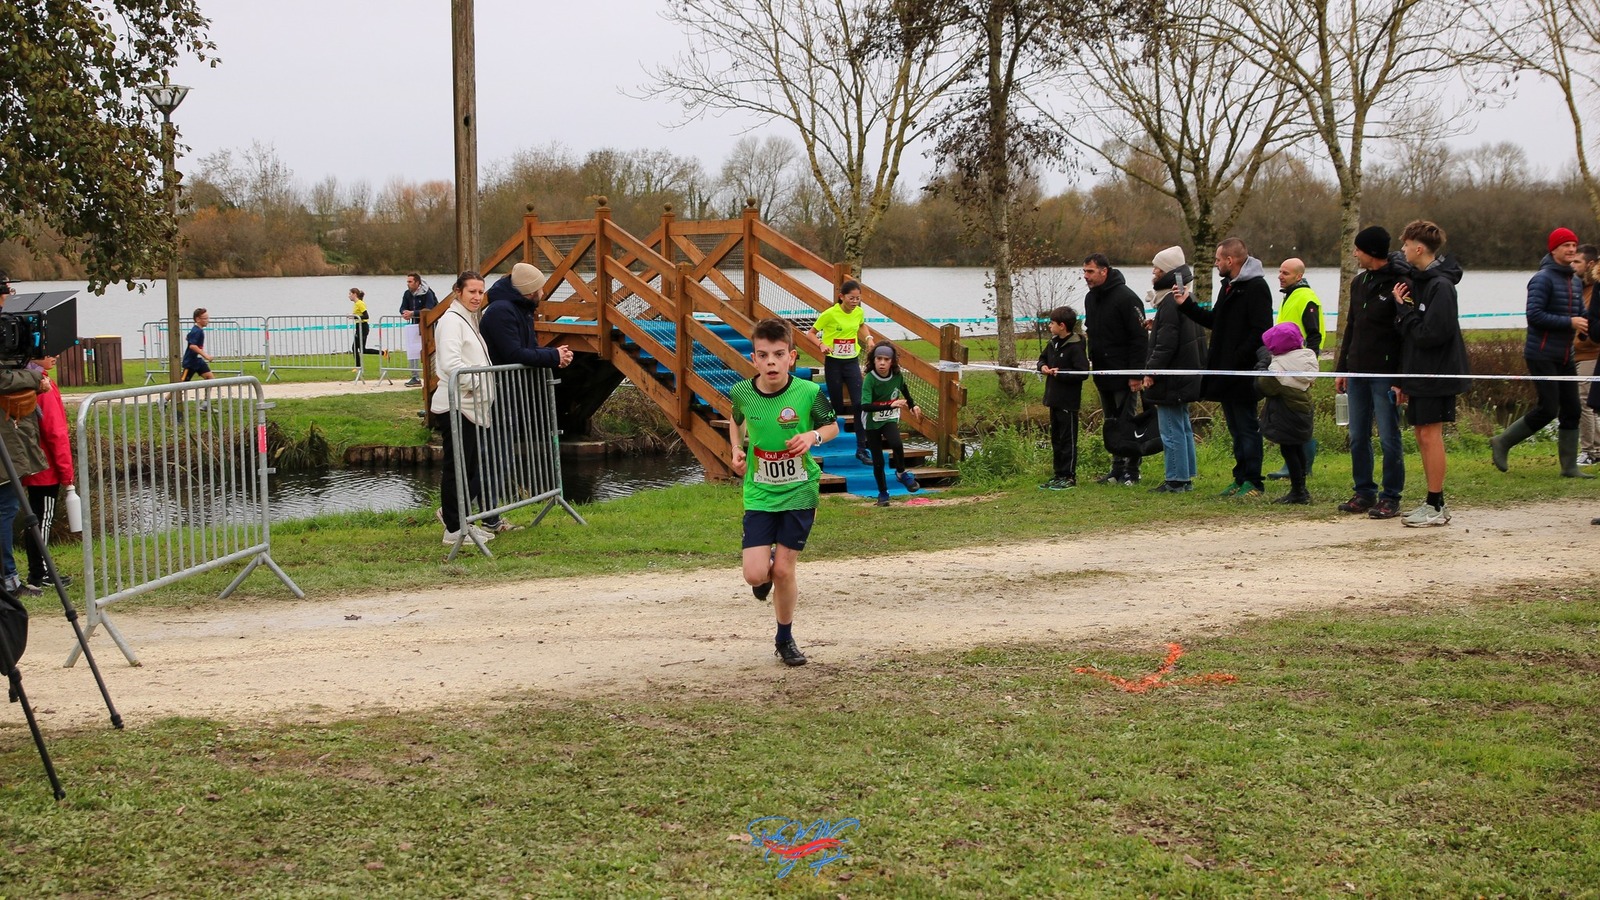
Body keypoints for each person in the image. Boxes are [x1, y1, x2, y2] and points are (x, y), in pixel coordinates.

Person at [729, 317, 840, 667]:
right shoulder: (741, 393)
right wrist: (737, 449)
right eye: (763, 355)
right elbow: (736, 420)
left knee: (783, 570)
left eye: (779, 354)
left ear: (791, 357)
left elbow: (833, 426)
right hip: (760, 492)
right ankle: (766, 571)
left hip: (800, 491)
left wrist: (812, 436)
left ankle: (784, 638)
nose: (772, 362)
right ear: (754, 359)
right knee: (754, 574)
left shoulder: (808, 393)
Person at [478, 262, 574, 532]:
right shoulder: (501, 311)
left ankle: (487, 516)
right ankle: (471, 513)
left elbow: (527, 348)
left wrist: (555, 355)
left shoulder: (517, 309)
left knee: (502, 453)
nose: (543, 292)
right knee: (495, 454)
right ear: (529, 291)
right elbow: (513, 353)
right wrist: (553, 356)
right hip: (498, 392)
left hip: (509, 391)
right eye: (540, 288)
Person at [1176, 237, 1275, 497]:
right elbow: (1215, 321)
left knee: (1247, 426)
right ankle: (1239, 477)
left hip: (1243, 372)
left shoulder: (1256, 288)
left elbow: (1261, 330)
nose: (1216, 263)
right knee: (1235, 428)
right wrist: (1187, 305)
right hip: (1225, 371)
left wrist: (1237, 358)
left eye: (1218, 259)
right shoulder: (1228, 287)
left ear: (1230, 260)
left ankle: (1253, 481)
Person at [1490, 227, 1591, 478]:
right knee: (1548, 409)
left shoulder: (1574, 280)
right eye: (1566, 245)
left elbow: (1581, 315)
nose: (1571, 249)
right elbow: (1534, 316)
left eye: (1573, 245)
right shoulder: (1542, 279)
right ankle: (1502, 441)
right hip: (1541, 353)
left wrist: (1586, 327)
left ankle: (1569, 467)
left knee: (1573, 409)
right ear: (1554, 249)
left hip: (1565, 355)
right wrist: (1570, 322)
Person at [1392, 220, 1471, 527]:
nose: (1402, 249)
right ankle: (1434, 500)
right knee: (1421, 434)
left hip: (1437, 373)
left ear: (1419, 248)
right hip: (1420, 371)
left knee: (1430, 435)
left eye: (1405, 244)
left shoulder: (1441, 286)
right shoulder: (1420, 282)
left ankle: (1435, 503)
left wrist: (1404, 312)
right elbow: (1413, 333)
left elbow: (1432, 334)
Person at [1334, 226, 1411, 519]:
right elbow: (1351, 327)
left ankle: (1390, 496)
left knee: (1389, 437)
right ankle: (1364, 491)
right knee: (1357, 435)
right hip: (1357, 373)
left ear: (1372, 252)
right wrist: (1342, 369)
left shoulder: (1400, 284)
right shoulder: (1358, 283)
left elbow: (1406, 335)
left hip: (1385, 374)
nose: (1355, 254)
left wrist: (1400, 379)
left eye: (1358, 249)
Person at [431, 271, 497, 547]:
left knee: (469, 469)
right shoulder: (450, 321)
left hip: (471, 407)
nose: (477, 297)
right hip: (457, 406)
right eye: (472, 291)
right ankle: (453, 529)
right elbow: (450, 364)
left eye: (481, 292)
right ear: (457, 291)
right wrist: (477, 385)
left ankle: (463, 522)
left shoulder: (467, 319)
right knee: (456, 468)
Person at [1137, 247, 1205, 493]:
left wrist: (1151, 372)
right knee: (1182, 425)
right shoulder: (1185, 297)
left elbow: (1166, 344)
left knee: (1170, 428)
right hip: (1185, 372)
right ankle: (1185, 476)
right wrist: (1157, 325)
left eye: (1157, 269)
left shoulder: (1169, 303)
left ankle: (1176, 479)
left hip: (1172, 376)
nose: (1153, 273)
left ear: (1167, 271)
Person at [0, 276, 50, 597]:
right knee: (5, 509)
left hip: (9, 434)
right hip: (5, 437)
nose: (10, 296)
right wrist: (33, 378)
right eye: (8, 290)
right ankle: (8, 580)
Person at [1082, 253, 1148, 484]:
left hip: (1124, 373)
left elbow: (1140, 338)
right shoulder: (1090, 298)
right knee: (1110, 421)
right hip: (1102, 372)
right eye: (1084, 271)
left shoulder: (1127, 298)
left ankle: (1133, 469)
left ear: (1104, 271)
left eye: (1090, 271)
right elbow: (1092, 332)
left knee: (1127, 421)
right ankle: (1117, 467)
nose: (1086, 276)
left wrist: (1136, 374)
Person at [1266, 258, 1326, 481]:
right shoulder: (1290, 295)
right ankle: (1294, 464)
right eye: (1280, 271)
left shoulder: (1306, 297)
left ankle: (1303, 464)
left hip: (1299, 366)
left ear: (1299, 276)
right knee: (1289, 414)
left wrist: (1310, 369)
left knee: (1299, 415)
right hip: (1286, 364)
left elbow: (1314, 335)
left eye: (1286, 273)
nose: (1280, 276)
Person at [21, 352, 72, 594]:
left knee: (35, 517)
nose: (56, 356)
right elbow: (55, 431)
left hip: (30, 462)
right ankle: (39, 573)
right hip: (46, 467)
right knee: (43, 520)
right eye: (48, 352)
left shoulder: (24, 379)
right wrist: (66, 473)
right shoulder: (44, 385)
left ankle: (38, 570)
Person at [1256, 323, 1318, 505]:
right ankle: (1301, 488)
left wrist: (1262, 365)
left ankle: (1298, 491)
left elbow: (1265, 386)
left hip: (1286, 412)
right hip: (1302, 410)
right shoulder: (1306, 357)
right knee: (1298, 448)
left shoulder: (1279, 365)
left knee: (1289, 450)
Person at [811, 280, 873, 463]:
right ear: (841, 297)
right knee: (837, 405)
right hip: (833, 363)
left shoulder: (858, 312)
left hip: (851, 362)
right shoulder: (829, 314)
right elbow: (811, 333)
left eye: (858, 298)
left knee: (859, 403)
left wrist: (869, 338)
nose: (855, 302)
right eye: (851, 298)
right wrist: (821, 345)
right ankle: (823, 437)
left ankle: (862, 449)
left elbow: (861, 325)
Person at [859, 342, 923, 506]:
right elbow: (865, 406)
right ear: (873, 360)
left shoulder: (897, 376)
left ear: (892, 362)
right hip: (872, 421)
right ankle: (883, 493)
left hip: (889, 419)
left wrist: (912, 405)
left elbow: (904, 389)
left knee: (896, 443)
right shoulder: (870, 379)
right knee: (878, 461)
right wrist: (890, 405)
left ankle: (901, 473)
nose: (882, 363)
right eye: (879, 359)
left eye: (886, 359)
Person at [1037, 305, 1090, 491]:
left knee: (1068, 440)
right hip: (1054, 399)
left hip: (1068, 401)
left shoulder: (1075, 346)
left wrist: (1062, 373)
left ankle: (1069, 476)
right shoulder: (1053, 343)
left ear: (1062, 325)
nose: (1049, 326)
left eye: (1052, 323)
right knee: (1057, 440)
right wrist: (1042, 367)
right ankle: (1058, 474)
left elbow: (1083, 372)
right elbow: (1042, 359)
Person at [1572, 244, 1600, 465]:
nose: (1573, 266)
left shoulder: (1594, 289)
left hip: (1591, 352)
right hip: (1577, 353)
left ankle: (1591, 451)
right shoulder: (1577, 287)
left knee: (1585, 401)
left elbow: (1591, 324)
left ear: (1590, 264)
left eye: (1577, 262)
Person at [399, 273, 439, 387]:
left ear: (417, 282)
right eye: (407, 282)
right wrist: (404, 313)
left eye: (410, 282)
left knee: (431, 350)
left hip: (429, 326)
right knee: (413, 350)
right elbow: (402, 307)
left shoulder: (428, 293)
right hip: (414, 325)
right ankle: (415, 377)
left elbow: (429, 309)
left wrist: (413, 313)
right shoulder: (407, 294)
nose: (408, 284)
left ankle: (433, 375)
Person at [182, 308, 214, 382]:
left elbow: (187, 337)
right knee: (182, 384)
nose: (208, 320)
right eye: (205, 318)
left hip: (198, 361)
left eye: (208, 318)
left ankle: (208, 391)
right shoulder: (197, 331)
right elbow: (192, 346)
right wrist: (206, 356)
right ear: (198, 319)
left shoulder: (197, 330)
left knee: (211, 379)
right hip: (190, 362)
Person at [348, 287, 378, 368]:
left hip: (363, 327)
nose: (348, 296)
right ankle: (383, 353)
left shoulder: (360, 303)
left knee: (355, 348)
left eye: (350, 294)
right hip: (359, 326)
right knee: (361, 349)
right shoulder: (356, 304)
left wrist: (354, 317)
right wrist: (354, 317)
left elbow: (366, 316)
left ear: (355, 294)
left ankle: (358, 367)